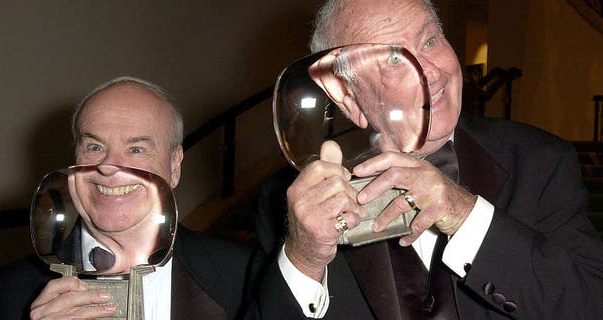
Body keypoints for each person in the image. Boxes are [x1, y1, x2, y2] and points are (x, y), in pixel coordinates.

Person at [253, 0, 603, 319]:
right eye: (393, 59)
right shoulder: (294, 204)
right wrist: (304, 261)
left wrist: (466, 215)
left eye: (430, 41)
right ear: (346, 95)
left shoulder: (540, 161)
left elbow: (589, 304)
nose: (432, 73)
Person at [0, 76, 257, 319]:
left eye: (136, 149)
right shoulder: (5, 293)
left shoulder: (247, 275)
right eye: (95, 147)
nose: (109, 166)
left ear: (174, 166)